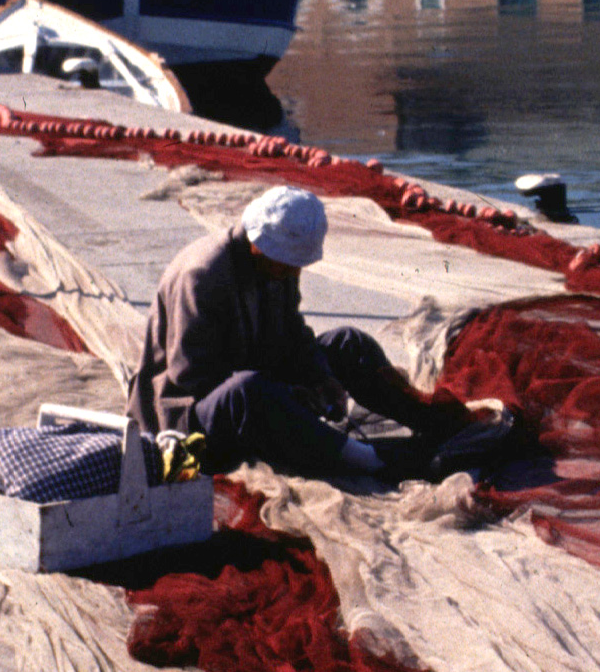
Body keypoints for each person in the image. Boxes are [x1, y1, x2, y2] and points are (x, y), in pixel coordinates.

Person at [131, 185, 517, 484]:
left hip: (257, 379)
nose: (292, 276)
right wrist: (287, 394)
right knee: (250, 390)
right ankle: (371, 461)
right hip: (188, 422)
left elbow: (292, 332)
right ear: (258, 245)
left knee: (349, 343)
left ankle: (433, 425)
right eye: (287, 266)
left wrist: (322, 376)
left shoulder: (274, 266)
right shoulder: (201, 278)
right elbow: (191, 378)